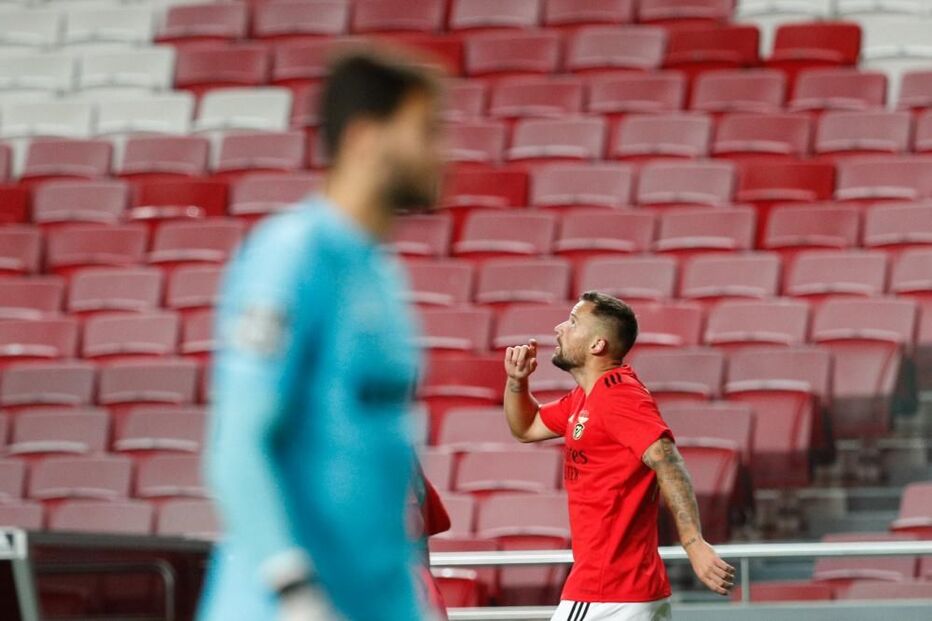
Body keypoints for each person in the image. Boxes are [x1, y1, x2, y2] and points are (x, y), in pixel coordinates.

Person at [197, 48, 444, 621]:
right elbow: (235, 447)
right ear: (364, 138)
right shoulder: (289, 257)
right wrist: (294, 591)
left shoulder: (382, 274)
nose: (441, 152)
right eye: (426, 131)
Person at [503, 291, 736, 621]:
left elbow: (667, 458)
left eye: (572, 322)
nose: (558, 328)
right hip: (629, 590)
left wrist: (693, 542)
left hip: (606, 589)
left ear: (597, 345)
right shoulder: (585, 398)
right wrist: (517, 382)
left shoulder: (617, 395)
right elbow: (526, 427)